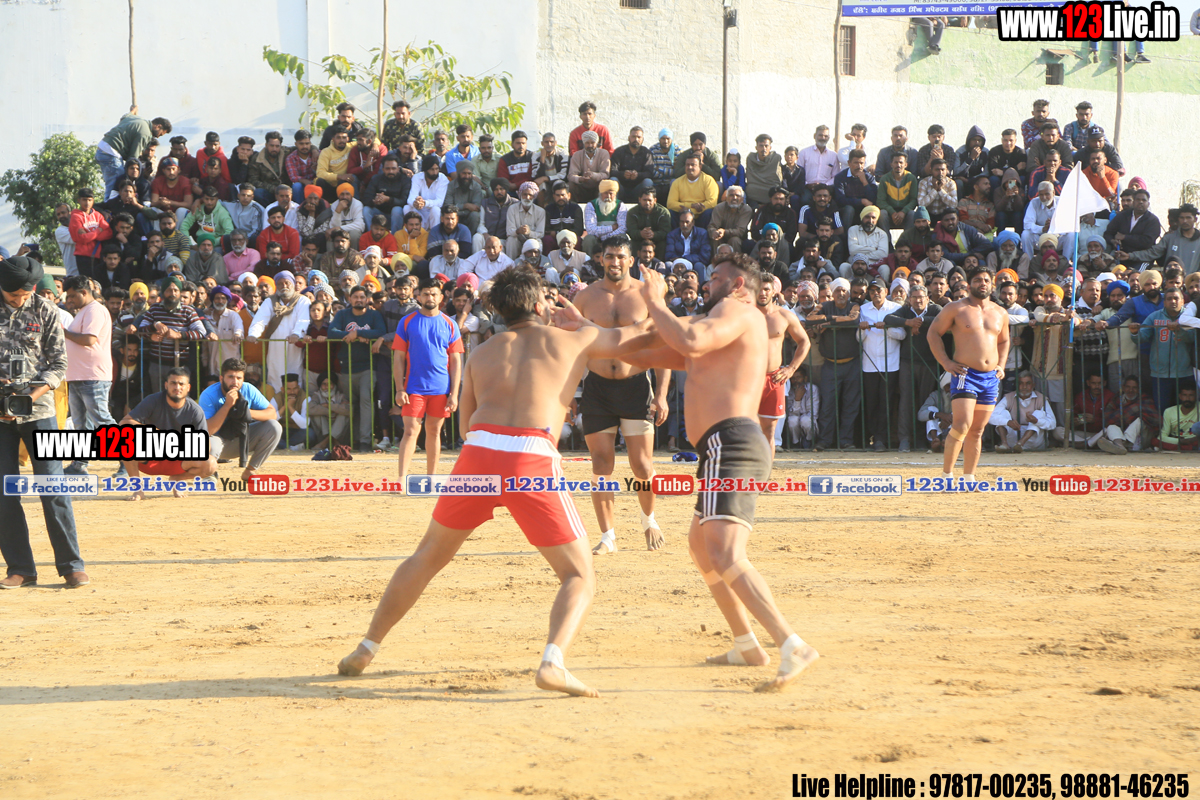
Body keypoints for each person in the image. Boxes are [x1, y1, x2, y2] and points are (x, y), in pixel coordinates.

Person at [339, 265, 663, 696]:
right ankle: (553, 662)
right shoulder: (571, 340)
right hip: (530, 455)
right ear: (538, 304)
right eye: (546, 300)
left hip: (478, 453)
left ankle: (366, 646)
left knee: (426, 556)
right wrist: (653, 297)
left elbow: (467, 423)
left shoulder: (482, 352)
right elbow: (639, 335)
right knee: (579, 575)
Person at [621, 257, 820, 691]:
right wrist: (583, 333)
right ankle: (746, 643)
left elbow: (688, 340)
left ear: (737, 284)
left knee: (726, 552)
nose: (708, 284)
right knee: (701, 546)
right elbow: (654, 348)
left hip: (729, 444)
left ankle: (792, 643)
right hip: (723, 447)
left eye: (714, 278)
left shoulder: (735, 309)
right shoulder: (724, 325)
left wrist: (654, 301)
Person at [571, 238, 670, 553]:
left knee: (642, 465)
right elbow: (571, 349)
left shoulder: (646, 295)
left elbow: (662, 345)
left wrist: (662, 395)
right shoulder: (585, 297)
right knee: (601, 464)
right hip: (597, 388)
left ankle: (648, 519)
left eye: (620, 257)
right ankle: (607, 537)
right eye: (609, 256)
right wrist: (568, 393)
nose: (614, 262)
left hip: (635, 386)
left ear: (631, 260)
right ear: (601, 259)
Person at [0, 257, 87, 589]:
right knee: (3, 492)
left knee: (53, 487)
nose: (19, 299)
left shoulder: (46, 310)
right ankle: (20, 568)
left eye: (24, 294)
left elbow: (59, 363)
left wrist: (32, 395)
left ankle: (71, 566)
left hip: (41, 412)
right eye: (13, 295)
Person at [926, 266, 1010, 484]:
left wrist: (1001, 365)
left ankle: (969, 478)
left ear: (992, 284)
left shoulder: (1000, 312)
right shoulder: (956, 308)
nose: (982, 283)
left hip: (990, 377)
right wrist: (946, 362)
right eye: (977, 280)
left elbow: (1004, 340)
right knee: (962, 425)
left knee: (977, 430)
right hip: (965, 374)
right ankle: (946, 476)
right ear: (969, 283)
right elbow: (933, 333)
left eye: (986, 280)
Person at [393, 278, 463, 480]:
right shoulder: (406, 322)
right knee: (410, 431)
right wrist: (399, 389)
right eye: (425, 294)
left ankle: (431, 479)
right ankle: (401, 479)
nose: (429, 297)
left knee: (434, 431)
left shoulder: (450, 324)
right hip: (414, 388)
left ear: (441, 298)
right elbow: (398, 357)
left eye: (433, 294)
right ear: (418, 296)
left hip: (441, 389)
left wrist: (454, 394)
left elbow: (456, 361)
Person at [119, 367, 218, 501]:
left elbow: (205, 446)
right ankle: (138, 490)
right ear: (166, 385)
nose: (177, 387)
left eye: (181, 384)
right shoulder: (152, 400)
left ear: (188, 387)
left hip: (180, 461)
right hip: (150, 457)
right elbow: (124, 423)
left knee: (210, 463)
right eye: (173, 383)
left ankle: (177, 479)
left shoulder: (195, 410)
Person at [60, 276, 118, 476]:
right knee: (81, 425)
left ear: (84, 292)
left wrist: (64, 333)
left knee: (102, 421)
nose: (69, 300)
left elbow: (89, 339)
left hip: (92, 375)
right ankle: (79, 464)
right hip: (79, 375)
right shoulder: (85, 311)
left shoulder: (95, 310)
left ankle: (129, 462)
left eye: (72, 296)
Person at [199, 358, 283, 482]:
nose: (235, 382)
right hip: (216, 441)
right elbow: (207, 431)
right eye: (230, 377)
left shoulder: (248, 389)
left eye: (239, 378)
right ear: (221, 379)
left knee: (274, 427)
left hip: (241, 440)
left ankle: (250, 471)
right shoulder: (208, 395)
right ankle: (209, 473)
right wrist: (227, 406)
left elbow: (272, 413)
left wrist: (247, 412)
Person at [755, 273, 809, 458]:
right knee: (745, 431)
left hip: (773, 378)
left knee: (769, 432)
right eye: (758, 289)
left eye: (766, 289)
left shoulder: (784, 315)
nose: (762, 293)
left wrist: (791, 369)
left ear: (774, 292)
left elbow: (804, 341)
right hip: (748, 378)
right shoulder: (743, 315)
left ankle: (765, 472)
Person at [329, 286, 386, 451]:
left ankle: (365, 441)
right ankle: (351, 440)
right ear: (350, 299)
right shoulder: (342, 314)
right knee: (351, 405)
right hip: (346, 367)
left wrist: (360, 333)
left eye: (362, 297)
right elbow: (332, 332)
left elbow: (381, 331)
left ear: (367, 299)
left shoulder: (374, 315)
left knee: (366, 402)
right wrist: (353, 336)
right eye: (355, 297)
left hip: (368, 366)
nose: (359, 300)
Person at [246, 271, 312, 391]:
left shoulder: (302, 300)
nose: (284, 286)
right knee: (275, 374)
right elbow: (260, 320)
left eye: (287, 283)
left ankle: (294, 400)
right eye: (280, 284)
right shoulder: (270, 301)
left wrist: (297, 334)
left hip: (294, 345)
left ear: (293, 284)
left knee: (294, 372)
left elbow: (303, 320)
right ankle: (275, 401)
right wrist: (253, 334)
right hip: (275, 347)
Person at [96, 110, 172, 198]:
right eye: (160, 134)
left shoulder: (138, 119)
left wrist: (132, 110)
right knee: (116, 183)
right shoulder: (145, 133)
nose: (158, 137)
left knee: (115, 181)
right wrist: (139, 174)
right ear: (158, 126)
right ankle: (109, 204)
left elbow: (124, 117)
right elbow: (132, 158)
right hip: (111, 152)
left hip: (102, 148)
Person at [991, 371, 1056, 452]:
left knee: (1038, 413)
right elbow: (991, 416)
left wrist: (1036, 421)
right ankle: (1005, 444)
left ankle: (1021, 443)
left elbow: (1052, 423)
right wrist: (1008, 422)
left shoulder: (1041, 399)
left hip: (1034, 440)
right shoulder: (1009, 397)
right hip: (1013, 439)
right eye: (1021, 383)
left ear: (1033, 385)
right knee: (1003, 413)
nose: (1024, 387)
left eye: (1028, 383)